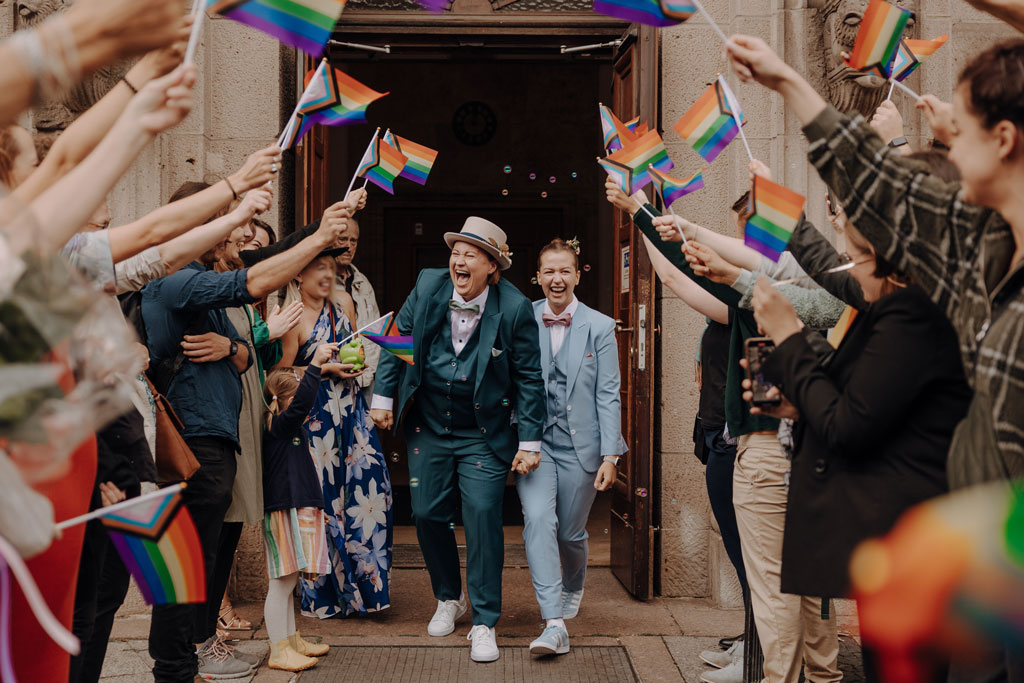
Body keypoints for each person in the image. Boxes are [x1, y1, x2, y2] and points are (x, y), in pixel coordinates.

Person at [725, 33, 1024, 683]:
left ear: (1003, 140)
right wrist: (784, 81)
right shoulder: (967, 273)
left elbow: (890, 205)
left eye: (958, 131)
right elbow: (876, 221)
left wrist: (786, 332)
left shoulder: (937, 294)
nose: (943, 136)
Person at [606, 180, 844, 683]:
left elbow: (683, 267)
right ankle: (825, 677)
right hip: (822, 454)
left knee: (775, 586)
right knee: (815, 585)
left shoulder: (756, 293)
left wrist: (642, 210)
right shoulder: (833, 288)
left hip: (768, 447)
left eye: (746, 235)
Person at [141, 204, 350, 682]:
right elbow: (249, 281)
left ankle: (189, 655)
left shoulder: (202, 283)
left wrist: (234, 349)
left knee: (207, 551)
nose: (234, 236)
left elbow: (238, 351)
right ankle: (178, 662)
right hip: (193, 438)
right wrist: (317, 239)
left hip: (220, 431)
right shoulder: (179, 280)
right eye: (224, 225)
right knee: (185, 560)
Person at [369, 217, 546, 664]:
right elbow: (398, 339)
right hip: (429, 425)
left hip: (483, 433)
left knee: (484, 515)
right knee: (426, 512)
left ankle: (485, 620)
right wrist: (384, 396)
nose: (458, 260)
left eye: (470, 254)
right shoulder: (428, 285)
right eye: (456, 252)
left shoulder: (515, 307)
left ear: (493, 266)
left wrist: (530, 442)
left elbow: (528, 378)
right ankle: (450, 596)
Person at [518, 238, 624, 657]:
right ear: (538, 277)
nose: (557, 279)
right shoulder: (523, 318)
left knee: (570, 531)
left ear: (578, 275)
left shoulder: (600, 326)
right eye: (549, 271)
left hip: (583, 448)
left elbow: (609, 393)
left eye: (565, 271)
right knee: (539, 520)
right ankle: (554, 623)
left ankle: (575, 583)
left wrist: (611, 455)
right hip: (535, 444)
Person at [274, 251, 393, 620]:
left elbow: (356, 348)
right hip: (316, 420)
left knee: (371, 495)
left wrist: (354, 365)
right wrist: (319, 366)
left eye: (330, 268)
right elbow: (278, 375)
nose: (327, 275)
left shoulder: (342, 302)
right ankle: (326, 596)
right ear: (298, 277)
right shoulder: (291, 318)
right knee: (324, 504)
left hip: (352, 415)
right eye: (318, 269)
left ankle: (367, 592)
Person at [261, 354, 338, 673]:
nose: (306, 410)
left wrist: (319, 509)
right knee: (281, 582)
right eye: (297, 402)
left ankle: (291, 640)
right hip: (283, 511)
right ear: (281, 402)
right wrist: (317, 366)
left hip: (299, 508)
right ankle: (278, 650)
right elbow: (302, 402)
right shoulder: (280, 426)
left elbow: (305, 476)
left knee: (290, 581)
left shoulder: (290, 431)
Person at [333, 215, 382, 402]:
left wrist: (374, 369)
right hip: (333, 377)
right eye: (343, 239)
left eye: (353, 240)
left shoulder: (362, 281)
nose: (349, 245)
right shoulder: (319, 282)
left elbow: (375, 328)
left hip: (366, 378)